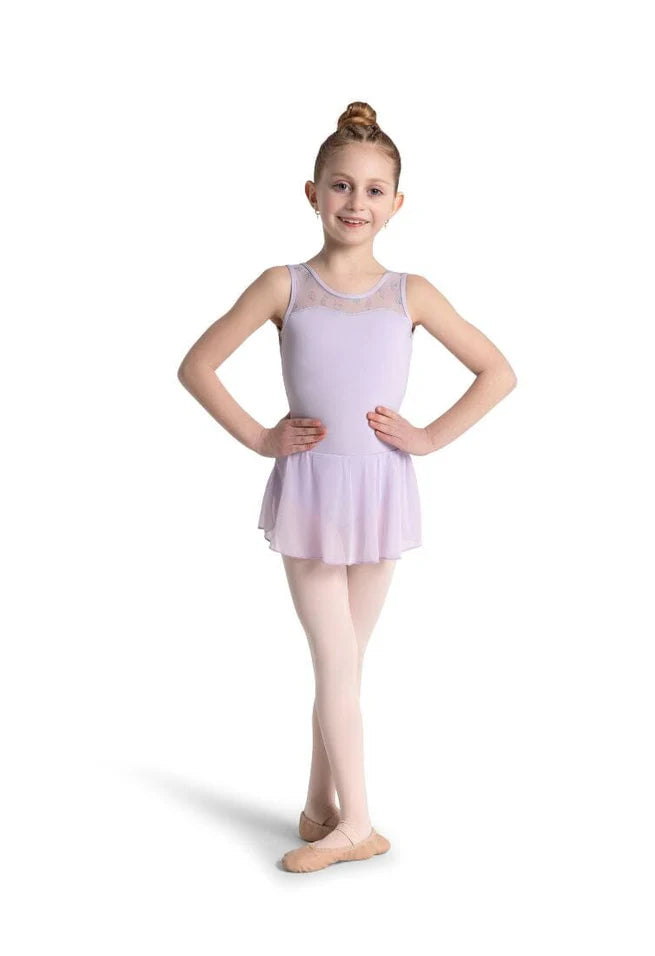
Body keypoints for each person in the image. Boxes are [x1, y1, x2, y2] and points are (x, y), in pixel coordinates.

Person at [177, 101, 517, 873]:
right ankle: (357, 826)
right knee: (335, 661)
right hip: (311, 490)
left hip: (380, 491)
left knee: (344, 666)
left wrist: (427, 437)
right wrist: (260, 437)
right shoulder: (284, 285)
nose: (354, 202)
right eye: (340, 185)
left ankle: (320, 808)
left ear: (395, 203)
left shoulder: (410, 293)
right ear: (312, 193)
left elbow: (496, 371)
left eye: (371, 189)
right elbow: (197, 365)